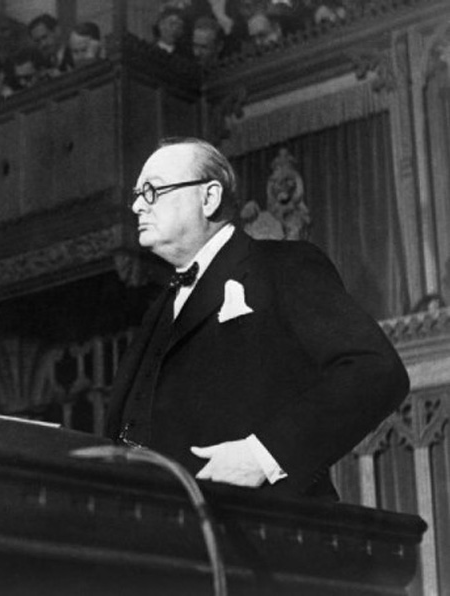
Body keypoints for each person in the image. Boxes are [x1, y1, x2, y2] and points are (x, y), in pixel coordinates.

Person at [105, 138, 409, 499]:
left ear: (209, 198)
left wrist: (264, 454)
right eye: (137, 194)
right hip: (160, 534)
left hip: (261, 531)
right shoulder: (160, 307)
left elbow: (374, 369)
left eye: (152, 190)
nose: (138, 205)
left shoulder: (283, 266)